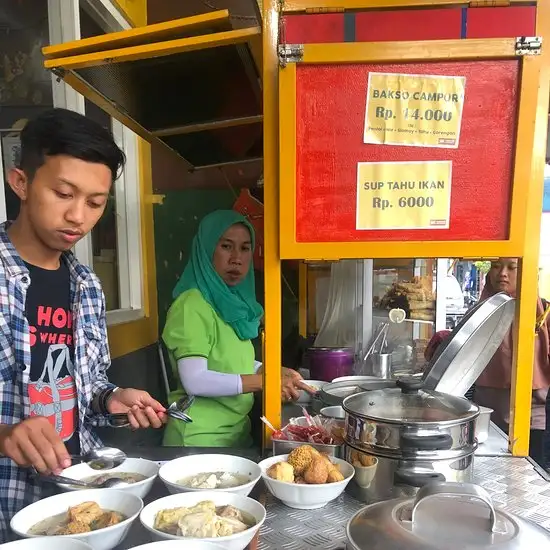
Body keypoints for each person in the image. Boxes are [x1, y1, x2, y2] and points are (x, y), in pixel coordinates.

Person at [0, 108, 167, 540]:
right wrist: (4, 433)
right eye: (63, 194)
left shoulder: (85, 285)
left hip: (81, 498)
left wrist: (111, 397)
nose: (79, 216)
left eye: (95, 203)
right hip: (9, 506)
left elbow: (87, 382)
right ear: (20, 182)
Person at [162, 210, 312, 447]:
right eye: (226, 246)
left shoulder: (232, 304)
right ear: (207, 250)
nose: (236, 258)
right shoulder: (191, 304)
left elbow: (227, 361)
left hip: (234, 434)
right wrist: (266, 381)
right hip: (199, 440)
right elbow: (195, 379)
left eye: (244, 248)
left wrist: (271, 370)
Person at [426, 258, 550, 466]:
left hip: (531, 419)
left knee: (527, 469)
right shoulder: (479, 315)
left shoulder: (544, 315)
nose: (502, 273)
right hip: (486, 417)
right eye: (496, 266)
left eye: (512, 267)